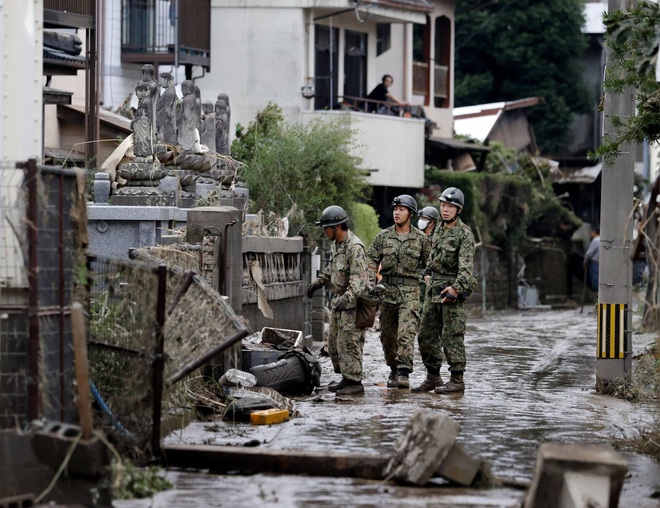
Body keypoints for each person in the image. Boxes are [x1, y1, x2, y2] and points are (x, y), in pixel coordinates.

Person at [413, 187, 475, 394]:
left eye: (450, 206)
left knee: (452, 335)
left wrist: (456, 289)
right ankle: (433, 377)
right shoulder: (438, 229)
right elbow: (432, 258)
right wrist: (427, 274)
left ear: (458, 210)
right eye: (443, 205)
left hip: (451, 291)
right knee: (426, 334)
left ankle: (457, 380)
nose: (445, 209)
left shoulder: (464, 234)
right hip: (433, 290)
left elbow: (466, 269)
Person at [366, 195, 430, 389]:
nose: (397, 212)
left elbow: (430, 265)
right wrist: (370, 283)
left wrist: (424, 285)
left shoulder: (421, 239)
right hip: (387, 290)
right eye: (395, 209)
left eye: (401, 209)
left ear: (410, 213)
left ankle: (404, 373)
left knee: (406, 332)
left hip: (410, 292)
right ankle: (393, 368)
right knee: (387, 334)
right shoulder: (384, 236)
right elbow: (370, 260)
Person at [306, 205, 369, 395]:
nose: (325, 232)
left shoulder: (354, 247)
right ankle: (345, 378)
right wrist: (318, 282)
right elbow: (332, 269)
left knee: (349, 343)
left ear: (337, 227)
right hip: (339, 304)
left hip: (352, 305)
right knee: (334, 344)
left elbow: (360, 279)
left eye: (326, 228)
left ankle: (355, 382)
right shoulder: (336, 245)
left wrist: (348, 296)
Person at [417, 205, 441, 307]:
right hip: (417, 281)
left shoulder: (438, 239)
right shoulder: (416, 237)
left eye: (424, 219)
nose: (420, 221)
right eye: (420, 218)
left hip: (432, 283)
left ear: (431, 222)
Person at [583, 225, 600, 292]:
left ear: (594, 232)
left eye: (591, 232)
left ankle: (597, 295)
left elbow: (589, 253)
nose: (590, 233)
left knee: (595, 280)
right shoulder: (603, 240)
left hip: (595, 263)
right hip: (602, 263)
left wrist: (585, 261)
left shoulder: (595, 241)